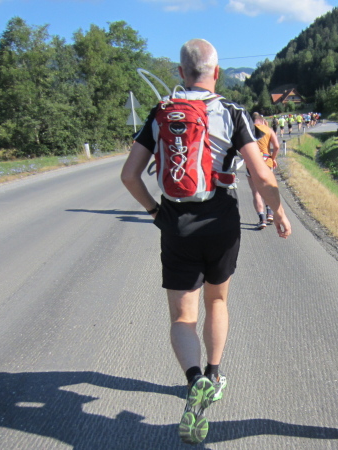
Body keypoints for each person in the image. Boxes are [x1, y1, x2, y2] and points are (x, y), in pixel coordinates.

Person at [121, 38, 291, 445]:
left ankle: (193, 378)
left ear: (181, 73)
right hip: (221, 221)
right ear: (216, 73)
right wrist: (280, 213)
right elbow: (261, 174)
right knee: (217, 301)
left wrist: (155, 212)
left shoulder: (161, 112)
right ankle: (213, 375)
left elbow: (129, 175)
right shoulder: (231, 112)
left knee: (183, 317)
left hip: (176, 223)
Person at [248, 112, 280, 229]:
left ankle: (262, 219)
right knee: (268, 188)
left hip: (252, 162)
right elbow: (276, 146)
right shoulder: (268, 130)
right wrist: (273, 158)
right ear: (262, 121)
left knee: (255, 192)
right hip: (267, 161)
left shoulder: (248, 129)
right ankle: (269, 212)